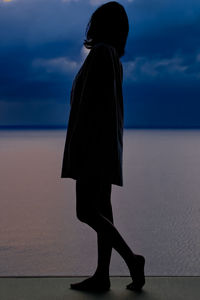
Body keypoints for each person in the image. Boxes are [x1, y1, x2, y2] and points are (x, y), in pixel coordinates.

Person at [61, 1, 145, 292]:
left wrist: (81, 149)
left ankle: (132, 260)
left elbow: (91, 107)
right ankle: (102, 275)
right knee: (103, 210)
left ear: (99, 25)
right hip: (104, 145)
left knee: (85, 210)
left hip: (91, 145)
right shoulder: (111, 56)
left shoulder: (100, 54)